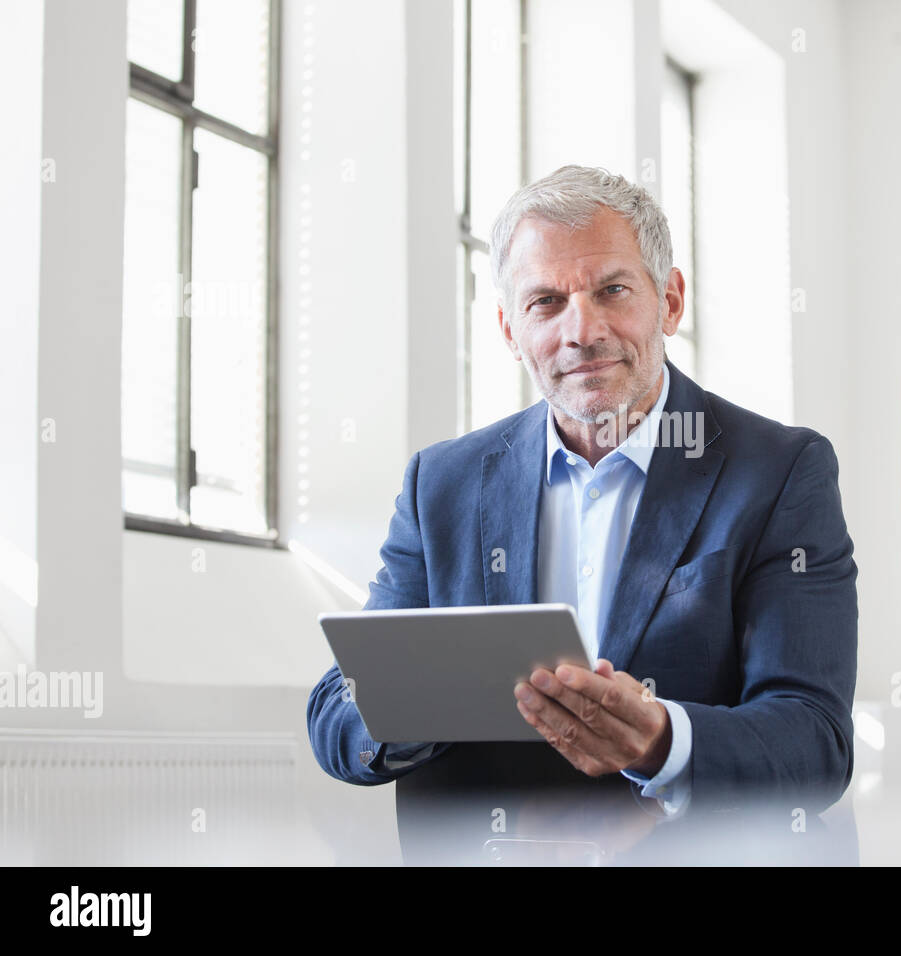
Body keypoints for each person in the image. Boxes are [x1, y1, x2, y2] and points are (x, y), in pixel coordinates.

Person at [307, 165, 859, 864]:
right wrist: (428, 703)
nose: (582, 331)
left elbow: (815, 740)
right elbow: (335, 713)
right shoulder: (440, 485)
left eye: (612, 290)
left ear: (671, 300)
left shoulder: (780, 473)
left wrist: (661, 740)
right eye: (545, 303)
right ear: (510, 329)